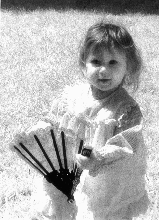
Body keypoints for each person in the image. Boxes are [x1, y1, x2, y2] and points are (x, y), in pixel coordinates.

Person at [11, 21, 149, 220]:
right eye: (96, 62)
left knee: (94, 212)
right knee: (60, 206)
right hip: (66, 170)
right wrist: (37, 132)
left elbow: (126, 145)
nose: (103, 70)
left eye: (113, 63)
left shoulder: (125, 108)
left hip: (102, 179)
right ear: (84, 63)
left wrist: (98, 157)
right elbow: (53, 122)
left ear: (128, 66)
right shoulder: (71, 97)